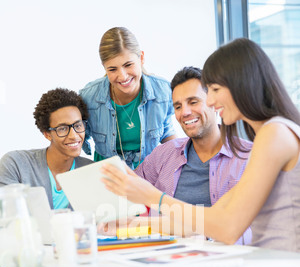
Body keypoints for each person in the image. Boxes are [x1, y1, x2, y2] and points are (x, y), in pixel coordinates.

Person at [101, 38, 300, 252]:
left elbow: (228, 228)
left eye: (214, 89)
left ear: (242, 83)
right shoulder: (272, 134)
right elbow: (213, 218)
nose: (212, 101)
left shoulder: (274, 134)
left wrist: (153, 196)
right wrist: (135, 225)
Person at [134, 66, 252, 244]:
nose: (185, 112)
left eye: (193, 101)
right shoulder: (164, 154)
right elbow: (129, 190)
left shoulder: (249, 157)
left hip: (225, 260)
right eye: (178, 106)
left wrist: (203, 235)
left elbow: (256, 226)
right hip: (165, 257)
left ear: (213, 102)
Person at [79, 26, 176, 169]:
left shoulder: (163, 91)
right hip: (107, 173)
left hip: (150, 171)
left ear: (141, 58)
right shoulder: (88, 97)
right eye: (112, 69)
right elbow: (76, 137)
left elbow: (166, 132)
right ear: (104, 67)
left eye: (128, 65)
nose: (123, 76)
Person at [0, 88, 93, 209]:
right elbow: (7, 217)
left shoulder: (91, 171)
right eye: (62, 128)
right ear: (47, 134)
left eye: (78, 125)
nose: (74, 135)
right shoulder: (16, 164)